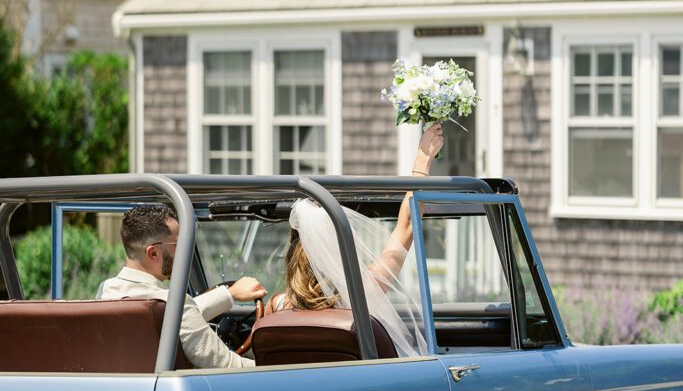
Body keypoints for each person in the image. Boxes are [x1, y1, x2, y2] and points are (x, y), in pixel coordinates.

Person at [269, 124, 444, 357]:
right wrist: (422, 160)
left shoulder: (276, 306)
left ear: (292, 253)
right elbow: (407, 226)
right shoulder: (360, 294)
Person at [99, 205, 266, 369]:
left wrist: (230, 294)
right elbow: (228, 365)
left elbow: (176, 317)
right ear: (153, 253)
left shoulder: (105, 292)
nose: (186, 251)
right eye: (178, 244)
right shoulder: (171, 305)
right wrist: (283, 368)